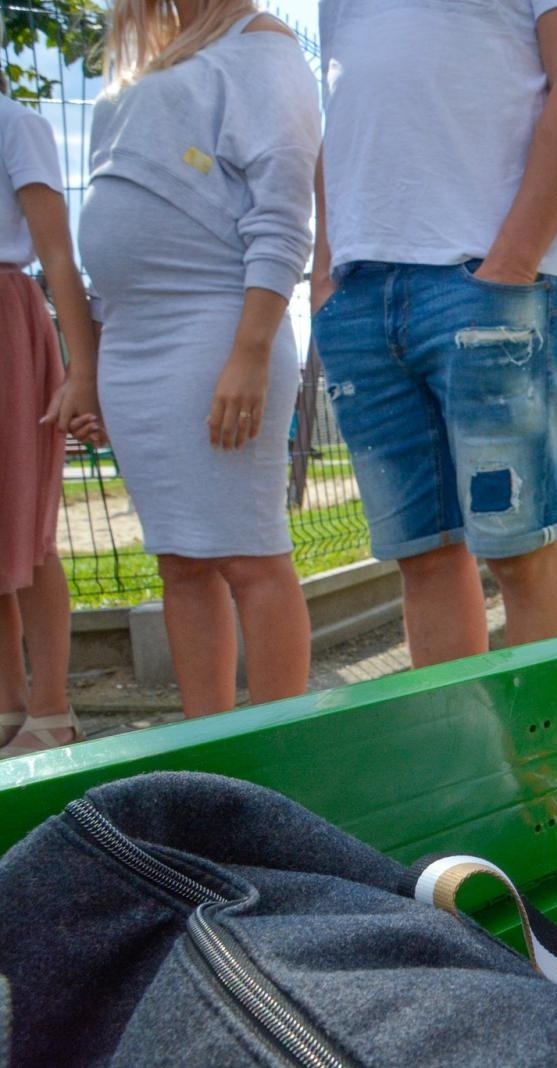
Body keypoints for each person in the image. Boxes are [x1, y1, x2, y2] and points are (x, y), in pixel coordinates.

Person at [311, 0, 557, 668]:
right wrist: (323, 276)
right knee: (422, 556)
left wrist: (511, 263)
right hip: (361, 291)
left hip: (490, 283)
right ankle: (462, 736)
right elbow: (341, 118)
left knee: (521, 548)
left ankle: (548, 739)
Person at [69, 0, 318, 718]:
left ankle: (278, 750)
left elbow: (283, 210)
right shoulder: (141, 66)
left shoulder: (260, 44)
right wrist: (88, 366)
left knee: (249, 555)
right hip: (130, 340)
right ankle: (206, 750)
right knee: (179, 561)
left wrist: (250, 352)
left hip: (216, 326)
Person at [0, 68, 99, 756]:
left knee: (26, 527)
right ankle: (8, 706)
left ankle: (52, 710)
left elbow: (57, 254)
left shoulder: (17, 124)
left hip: (7, 322)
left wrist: (80, 367)